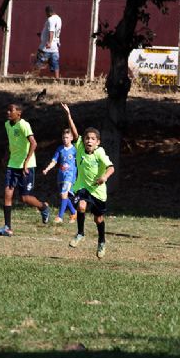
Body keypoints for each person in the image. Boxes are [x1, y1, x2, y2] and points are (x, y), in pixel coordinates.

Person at [62, 103, 115, 259]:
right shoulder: (78, 147)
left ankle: (102, 242)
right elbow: (74, 132)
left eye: (92, 139)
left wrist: (104, 177)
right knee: (81, 205)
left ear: (97, 142)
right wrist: (68, 116)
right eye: (87, 138)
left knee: (98, 219)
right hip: (83, 187)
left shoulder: (100, 153)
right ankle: (80, 233)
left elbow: (111, 168)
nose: (89, 141)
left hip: (98, 191)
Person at [0, 103, 50, 236]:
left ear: (18, 113)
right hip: (13, 165)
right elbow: (11, 143)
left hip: (27, 166)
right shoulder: (7, 125)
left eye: (11, 110)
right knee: (7, 194)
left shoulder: (24, 125)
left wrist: (26, 162)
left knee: (25, 198)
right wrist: (6, 157)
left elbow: (34, 143)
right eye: (7, 110)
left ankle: (43, 207)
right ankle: (7, 227)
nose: (8, 112)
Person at [42, 129, 77, 224]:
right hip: (61, 175)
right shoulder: (60, 149)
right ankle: (74, 212)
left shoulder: (75, 150)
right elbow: (54, 161)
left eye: (67, 137)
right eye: (63, 138)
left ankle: (60, 217)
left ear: (71, 138)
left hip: (70, 176)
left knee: (64, 194)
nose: (65, 139)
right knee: (64, 196)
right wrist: (47, 169)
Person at [35, 6, 62, 79]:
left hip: (46, 47)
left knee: (39, 62)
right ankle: (57, 79)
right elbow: (53, 31)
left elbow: (52, 31)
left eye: (46, 13)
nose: (46, 15)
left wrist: (49, 42)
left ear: (48, 12)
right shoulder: (58, 19)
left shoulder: (50, 19)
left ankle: (35, 79)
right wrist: (42, 34)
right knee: (55, 63)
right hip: (55, 46)